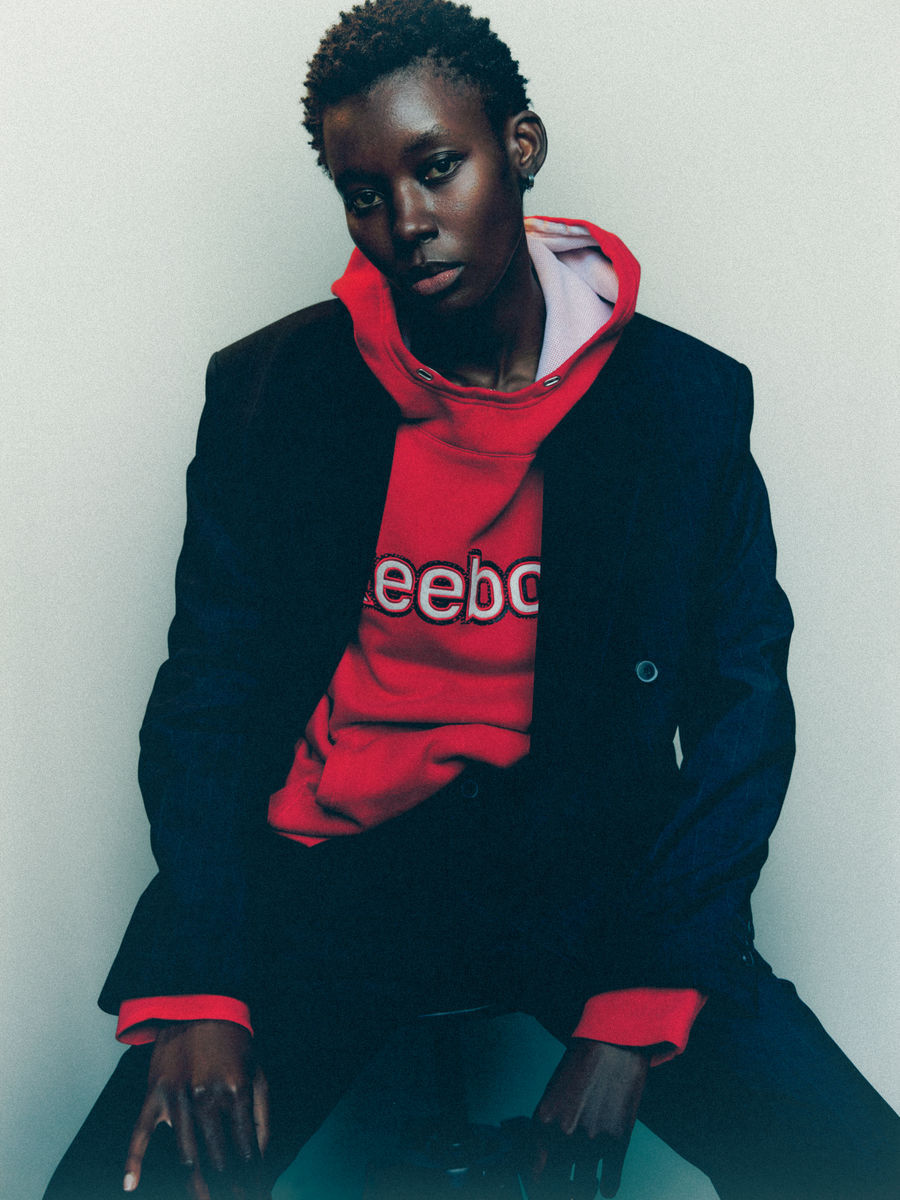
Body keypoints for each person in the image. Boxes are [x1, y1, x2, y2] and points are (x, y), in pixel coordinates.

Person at [43, 2, 900, 1198]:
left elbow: (742, 716)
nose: (405, 222)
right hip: (335, 876)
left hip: (588, 879)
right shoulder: (274, 393)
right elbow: (208, 695)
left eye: (437, 166)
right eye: (363, 193)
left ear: (521, 146)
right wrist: (201, 981)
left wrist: (636, 1011)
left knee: (857, 1168)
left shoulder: (681, 403)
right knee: (112, 1190)